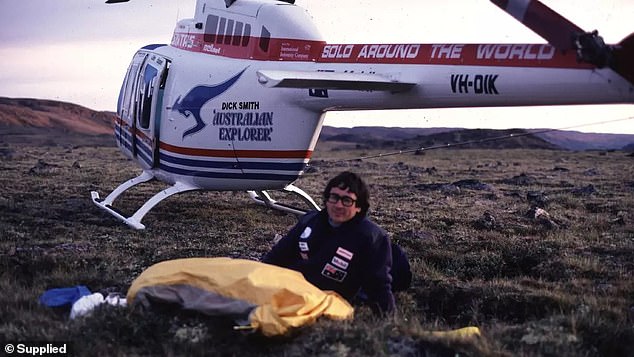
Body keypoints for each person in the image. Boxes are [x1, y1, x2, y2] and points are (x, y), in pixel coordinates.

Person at [263, 171, 410, 314]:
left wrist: (389, 321)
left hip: (328, 302)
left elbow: (378, 285)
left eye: (347, 201)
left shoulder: (370, 237)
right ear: (327, 200)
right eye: (334, 197)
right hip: (292, 289)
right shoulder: (309, 222)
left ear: (358, 207)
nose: (338, 205)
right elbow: (276, 257)